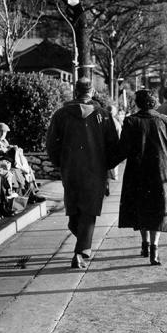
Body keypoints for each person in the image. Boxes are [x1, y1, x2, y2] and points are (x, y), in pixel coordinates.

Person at [46, 78, 120, 269]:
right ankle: (81, 251)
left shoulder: (61, 114)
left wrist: (60, 163)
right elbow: (114, 144)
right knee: (89, 211)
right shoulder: (102, 115)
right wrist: (107, 165)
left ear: (75, 91)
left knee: (74, 211)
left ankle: (81, 244)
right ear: (92, 91)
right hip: (95, 169)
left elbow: (51, 144)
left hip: (70, 168)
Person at [115, 89, 167, 265]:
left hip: (137, 173)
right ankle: (154, 249)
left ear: (137, 103)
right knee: (158, 211)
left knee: (141, 209)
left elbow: (122, 150)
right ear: (154, 103)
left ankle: (144, 244)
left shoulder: (130, 122)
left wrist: (106, 163)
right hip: (162, 173)